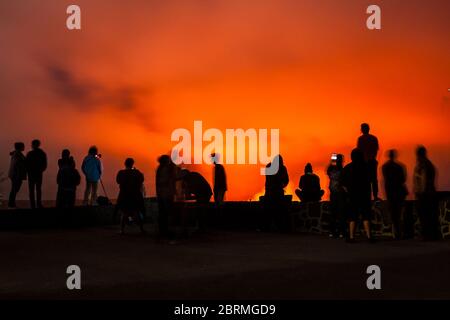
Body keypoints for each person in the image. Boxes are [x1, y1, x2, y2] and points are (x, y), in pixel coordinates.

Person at [341, 148, 373, 243]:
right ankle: (369, 237)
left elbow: (342, 183)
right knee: (366, 216)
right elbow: (372, 180)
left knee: (352, 216)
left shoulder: (347, 168)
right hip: (364, 195)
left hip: (352, 196)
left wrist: (348, 192)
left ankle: (351, 237)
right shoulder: (367, 167)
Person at [413, 146, 439, 241]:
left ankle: (427, 235)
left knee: (425, 216)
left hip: (425, 195)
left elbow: (423, 180)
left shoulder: (423, 165)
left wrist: (420, 192)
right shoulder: (428, 164)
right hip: (430, 193)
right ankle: (431, 235)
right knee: (430, 216)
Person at [382, 149, 408, 240]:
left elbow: (386, 180)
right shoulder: (400, 167)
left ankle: (396, 233)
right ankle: (399, 232)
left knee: (394, 214)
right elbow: (403, 179)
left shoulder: (385, 167)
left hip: (391, 193)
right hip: (399, 193)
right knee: (399, 214)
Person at [116, 158, 145, 234]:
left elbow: (118, 181)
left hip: (124, 195)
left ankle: (121, 230)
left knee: (124, 213)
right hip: (135, 195)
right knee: (137, 212)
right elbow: (142, 179)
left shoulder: (121, 173)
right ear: (132, 164)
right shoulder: (137, 172)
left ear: (125, 164)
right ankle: (141, 229)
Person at [263, 155, 290, 231]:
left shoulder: (269, 166)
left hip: (270, 192)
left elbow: (268, 179)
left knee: (268, 210)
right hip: (277, 192)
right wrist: (282, 185)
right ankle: (280, 227)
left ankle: (267, 227)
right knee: (279, 210)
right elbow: (286, 180)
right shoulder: (282, 168)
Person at [357, 123, 380, 201]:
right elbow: (376, 150)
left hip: (364, 163)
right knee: (373, 180)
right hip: (371, 161)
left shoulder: (360, 139)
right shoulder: (373, 138)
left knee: (365, 181)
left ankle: (367, 197)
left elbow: (359, 151)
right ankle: (375, 196)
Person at [156, 155, 177, 238]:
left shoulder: (160, 169)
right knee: (168, 213)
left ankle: (163, 230)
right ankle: (168, 231)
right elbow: (169, 180)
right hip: (167, 194)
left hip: (162, 194)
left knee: (162, 213)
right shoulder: (166, 170)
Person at [326, 154, 346, 238]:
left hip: (333, 193)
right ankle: (341, 232)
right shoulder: (342, 170)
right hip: (340, 193)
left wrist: (332, 160)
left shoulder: (331, 170)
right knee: (341, 213)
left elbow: (328, 169)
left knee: (333, 213)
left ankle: (332, 231)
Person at [25, 139, 47, 209]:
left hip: (31, 174)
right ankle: (38, 204)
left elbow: (26, 164)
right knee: (38, 189)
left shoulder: (30, 154)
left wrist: (28, 171)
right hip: (38, 173)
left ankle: (33, 205)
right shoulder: (42, 153)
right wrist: (41, 170)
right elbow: (44, 164)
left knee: (32, 190)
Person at [8, 142, 27, 208]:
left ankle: (11, 203)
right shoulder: (18, 155)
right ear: (20, 147)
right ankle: (11, 203)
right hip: (17, 175)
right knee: (15, 189)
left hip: (14, 174)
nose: (24, 147)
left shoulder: (16, 153)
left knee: (14, 189)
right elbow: (18, 165)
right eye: (23, 146)